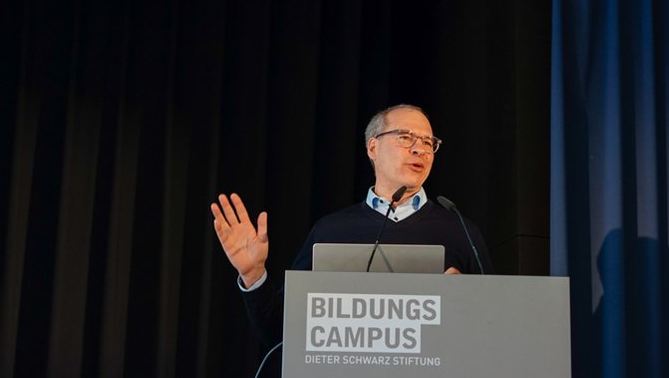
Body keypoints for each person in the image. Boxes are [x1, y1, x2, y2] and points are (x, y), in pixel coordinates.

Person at [211, 103, 492, 344]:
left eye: (429, 142)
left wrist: (466, 305)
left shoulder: (459, 230)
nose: (420, 149)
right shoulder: (331, 231)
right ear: (373, 146)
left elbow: (494, 328)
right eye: (406, 137)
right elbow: (280, 332)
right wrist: (253, 274)